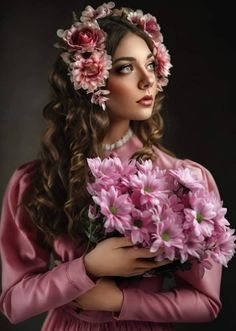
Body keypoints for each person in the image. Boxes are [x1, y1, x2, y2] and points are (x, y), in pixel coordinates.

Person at [0, 2, 222, 330]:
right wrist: (86, 268)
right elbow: (13, 304)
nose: (149, 80)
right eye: (125, 68)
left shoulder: (183, 179)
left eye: (150, 64)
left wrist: (121, 302)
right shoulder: (37, 180)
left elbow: (206, 302)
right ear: (89, 79)